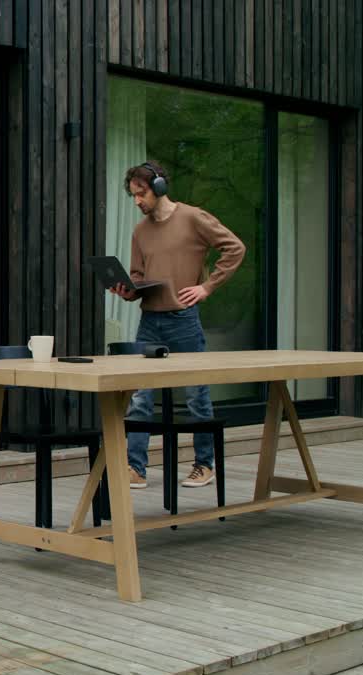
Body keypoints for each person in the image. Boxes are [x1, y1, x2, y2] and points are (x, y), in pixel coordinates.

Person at [107, 162, 245, 490]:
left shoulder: (193, 218)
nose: (137, 201)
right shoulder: (140, 231)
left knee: (196, 394)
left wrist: (207, 287)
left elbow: (235, 248)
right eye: (133, 195)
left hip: (183, 320)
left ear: (159, 187)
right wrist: (127, 290)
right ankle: (136, 468)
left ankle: (204, 464)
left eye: (141, 193)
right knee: (141, 397)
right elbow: (138, 276)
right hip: (149, 320)